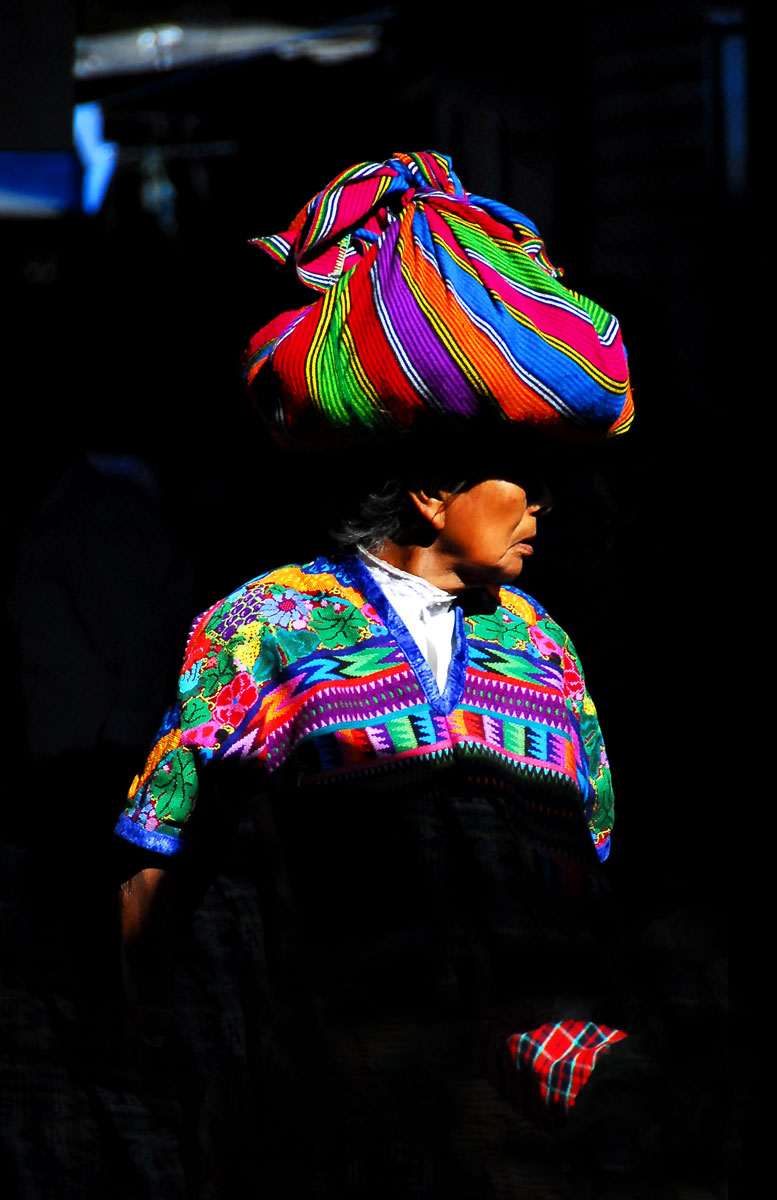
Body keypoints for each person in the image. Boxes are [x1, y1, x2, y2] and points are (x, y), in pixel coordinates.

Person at [115, 151, 634, 1197]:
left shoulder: (543, 647)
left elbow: (593, 876)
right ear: (435, 491)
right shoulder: (267, 627)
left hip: (525, 1143)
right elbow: (161, 858)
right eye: (519, 479)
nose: (543, 506)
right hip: (334, 1133)